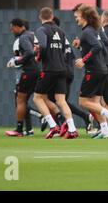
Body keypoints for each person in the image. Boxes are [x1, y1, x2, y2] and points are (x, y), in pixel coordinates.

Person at [73, 5, 108, 139]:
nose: (76, 19)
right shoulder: (96, 30)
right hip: (103, 68)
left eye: (78, 16)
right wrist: (82, 44)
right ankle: (105, 130)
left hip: (94, 70)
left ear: (85, 17)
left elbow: (97, 46)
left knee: (83, 102)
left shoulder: (87, 32)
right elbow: (104, 43)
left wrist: (84, 59)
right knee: (94, 103)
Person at [33, 7, 79, 139]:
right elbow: (65, 50)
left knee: (37, 97)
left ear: (40, 17)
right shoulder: (60, 31)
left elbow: (42, 45)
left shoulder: (41, 30)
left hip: (49, 69)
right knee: (61, 100)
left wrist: (37, 54)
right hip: (62, 69)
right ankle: (72, 129)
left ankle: (53, 125)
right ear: (52, 17)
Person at [5, 18, 41, 137]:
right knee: (39, 98)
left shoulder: (23, 38)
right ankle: (48, 120)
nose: (12, 31)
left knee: (20, 100)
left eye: (13, 28)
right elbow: (35, 51)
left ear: (19, 27)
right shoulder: (32, 35)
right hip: (36, 70)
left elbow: (29, 53)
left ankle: (19, 129)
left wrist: (17, 61)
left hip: (28, 71)